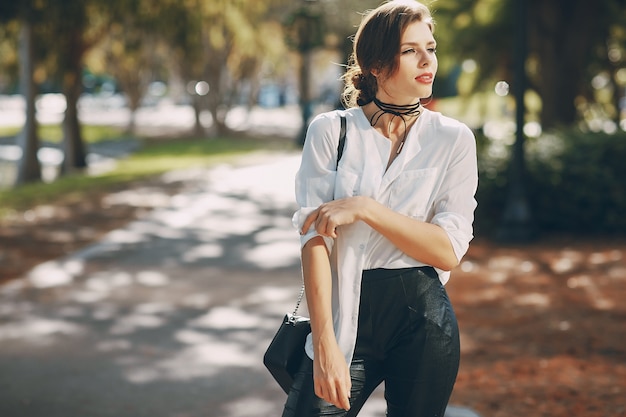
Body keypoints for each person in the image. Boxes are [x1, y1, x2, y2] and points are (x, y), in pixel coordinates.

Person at [285, 1, 478, 416]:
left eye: (431, 47)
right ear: (375, 64)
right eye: (410, 51)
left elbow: (447, 250)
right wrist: (324, 344)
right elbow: (313, 238)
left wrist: (367, 209)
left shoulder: (454, 139)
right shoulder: (331, 132)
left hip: (424, 320)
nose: (428, 60)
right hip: (344, 315)